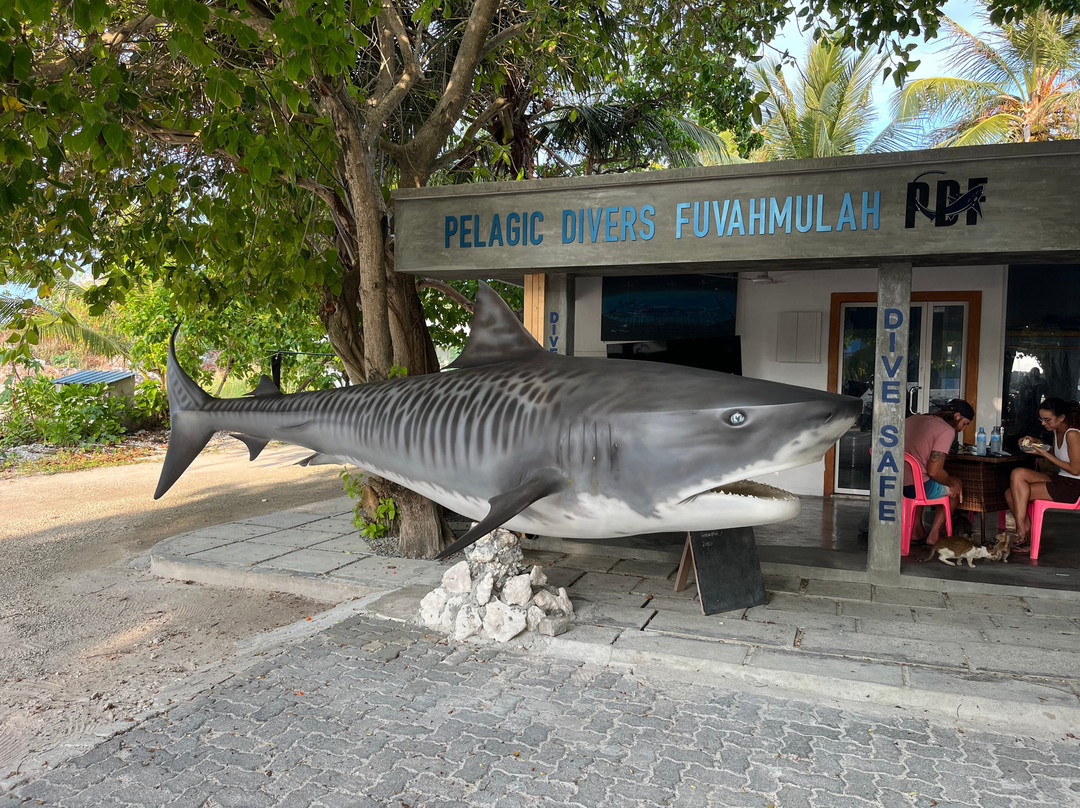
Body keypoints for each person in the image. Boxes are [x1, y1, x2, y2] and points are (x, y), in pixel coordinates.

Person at [1005, 397, 1080, 551]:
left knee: (1013, 494)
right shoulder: (1058, 430)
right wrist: (1036, 442)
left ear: (1061, 418)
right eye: (1042, 419)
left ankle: (1024, 534)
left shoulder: (1072, 434)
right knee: (1017, 476)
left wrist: (1044, 454)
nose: (1043, 423)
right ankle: (1023, 529)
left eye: (1047, 420)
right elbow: (1058, 454)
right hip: (1062, 479)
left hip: (1073, 486)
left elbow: (1075, 470)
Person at [903, 399, 973, 545]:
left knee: (923, 477)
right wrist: (952, 484)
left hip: (892, 482)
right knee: (955, 487)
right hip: (913, 487)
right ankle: (935, 534)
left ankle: (916, 529)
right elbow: (934, 471)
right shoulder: (947, 430)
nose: (963, 429)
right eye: (965, 424)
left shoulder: (914, 419)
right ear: (957, 416)